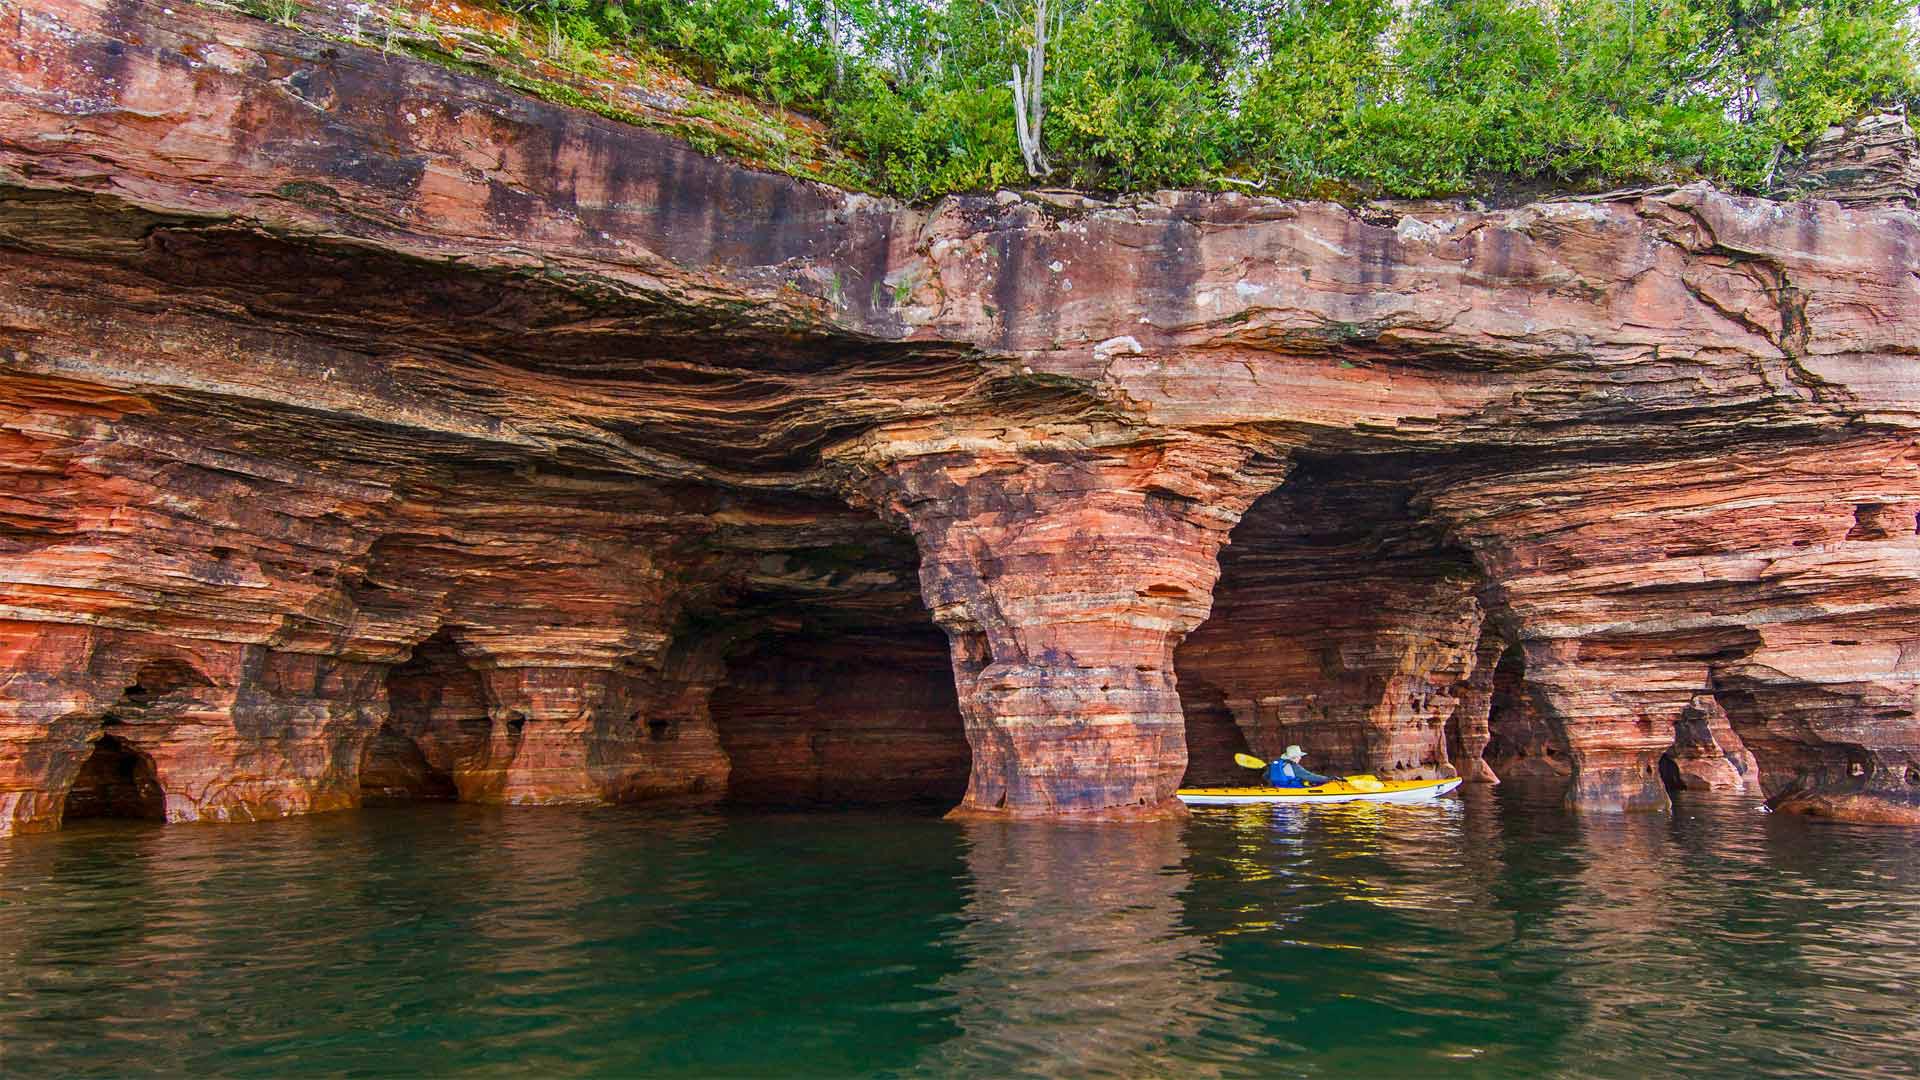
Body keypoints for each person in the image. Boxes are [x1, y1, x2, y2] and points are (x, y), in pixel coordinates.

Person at [1267, 745, 1340, 788]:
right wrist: (1329, 779)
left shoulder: (1278, 764)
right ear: (1294, 757)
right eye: (1299, 756)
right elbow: (1310, 776)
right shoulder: (1294, 766)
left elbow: (1265, 776)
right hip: (1292, 789)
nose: (1300, 758)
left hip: (1278, 788)